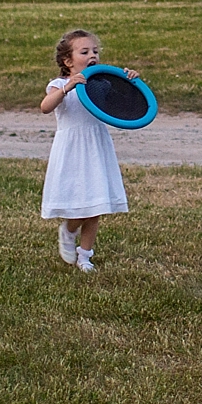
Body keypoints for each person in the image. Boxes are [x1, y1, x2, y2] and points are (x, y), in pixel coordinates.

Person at [39, 29, 135, 272]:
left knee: (97, 204)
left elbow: (124, 102)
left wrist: (129, 82)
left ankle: (85, 256)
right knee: (80, 202)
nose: (92, 55)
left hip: (96, 147)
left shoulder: (100, 85)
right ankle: (68, 229)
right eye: (84, 52)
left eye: (95, 51)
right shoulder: (59, 84)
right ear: (68, 61)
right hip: (72, 149)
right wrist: (67, 88)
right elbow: (45, 107)